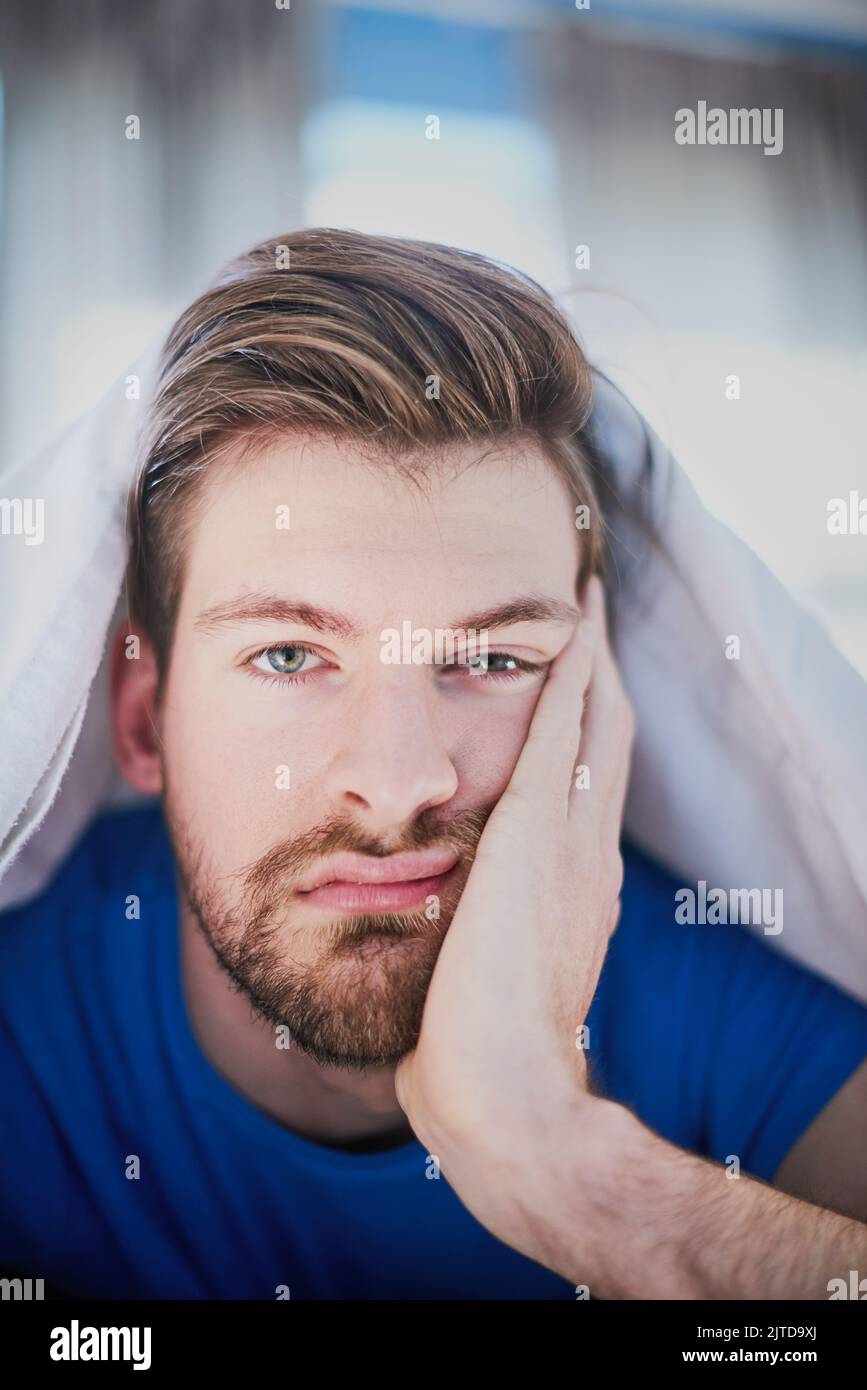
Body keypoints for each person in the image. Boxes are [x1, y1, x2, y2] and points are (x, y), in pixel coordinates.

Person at [0, 228, 864, 1300]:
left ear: (596, 703)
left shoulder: (727, 998)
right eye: (288, 655)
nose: (402, 781)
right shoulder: (22, 1031)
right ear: (141, 723)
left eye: (495, 659)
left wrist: (558, 1160)